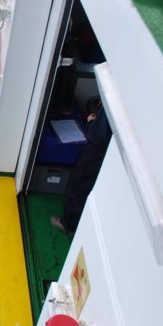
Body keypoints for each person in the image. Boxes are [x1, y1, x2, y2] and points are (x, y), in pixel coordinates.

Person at [51, 97, 112, 234]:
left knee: (81, 182)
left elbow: (97, 134)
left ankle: (68, 224)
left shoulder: (112, 98)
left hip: (97, 149)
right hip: (105, 148)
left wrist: (91, 123)